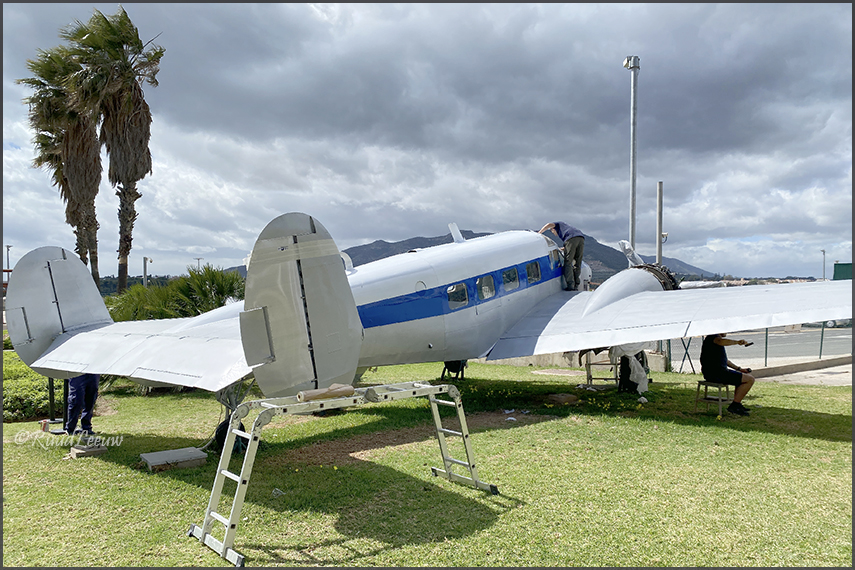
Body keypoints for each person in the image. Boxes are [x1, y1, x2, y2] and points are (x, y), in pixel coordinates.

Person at [700, 333, 755, 416]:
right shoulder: (714, 338)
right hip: (717, 374)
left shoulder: (712, 342)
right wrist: (737, 342)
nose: (726, 333)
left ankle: (737, 404)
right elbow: (721, 341)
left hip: (716, 373)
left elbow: (725, 361)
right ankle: (735, 405)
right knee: (750, 379)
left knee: (741, 379)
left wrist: (739, 369)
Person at [538, 221, 585, 291]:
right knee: (577, 262)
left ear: (553, 229)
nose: (555, 234)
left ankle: (570, 285)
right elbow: (571, 245)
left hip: (571, 238)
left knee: (568, 262)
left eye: (553, 232)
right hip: (581, 238)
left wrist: (539, 233)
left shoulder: (558, 225)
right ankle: (576, 284)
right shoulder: (567, 227)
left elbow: (548, 224)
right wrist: (561, 248)